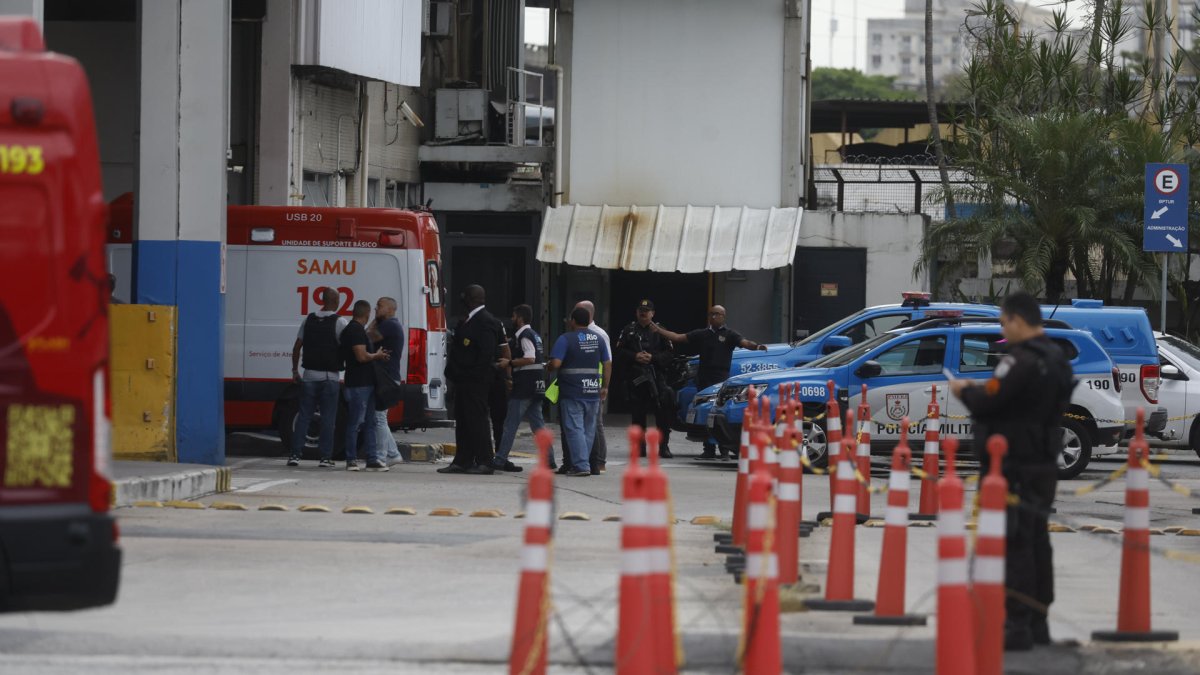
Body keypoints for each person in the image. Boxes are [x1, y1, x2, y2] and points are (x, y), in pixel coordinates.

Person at [949, 291, 1073, 651]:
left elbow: (991, 401)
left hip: (1014, 465)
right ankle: (1038, 622)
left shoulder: (1019, 360)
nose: (1003, 331)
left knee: (1016, 542)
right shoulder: (1058, 359)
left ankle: (1016, 624)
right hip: (1043, 463)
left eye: (1004, 323)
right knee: (1037, 541)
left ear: (1018, 320)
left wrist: (963, 392)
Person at [651, 305, 768, 458]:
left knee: (720, 413)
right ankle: (708, 449)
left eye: (716, 314)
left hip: (721, 380)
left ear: (723, 316)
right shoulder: (702, 334)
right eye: (711, 314)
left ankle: (724, 450)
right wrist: (659, 331)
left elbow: (745, 343)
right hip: (704, 379)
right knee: (705, 412)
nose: (713, 317)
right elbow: (678, 337)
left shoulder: (730, 335)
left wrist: (757, 346)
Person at [439, 284, 503, 475]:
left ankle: (485, 461)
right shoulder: (468, 320)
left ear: (470, 299)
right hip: (463, 380)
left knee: (477, 420)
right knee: (463, 421)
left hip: (476, 381)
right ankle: (462, 460)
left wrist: (473, 375)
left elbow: (486, 354)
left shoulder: (486, 321)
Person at [288, 288, 349, 467]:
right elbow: (348, 347)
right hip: (330, 377)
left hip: (309, 376)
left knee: (304, 417)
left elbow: (297, 347)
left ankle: (295, 455)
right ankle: (325, 458)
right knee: (328, 419)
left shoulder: (308, 320)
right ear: (336, 301)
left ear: (322, 300)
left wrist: (295, 371)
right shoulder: (340, 322)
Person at [548, 307, 611, 477]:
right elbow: (607, 363)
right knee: (588, 430)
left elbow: (556, 363)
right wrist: (605, 386)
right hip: (592, 390)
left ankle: (581, 465)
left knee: (574, 429)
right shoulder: (598, 339)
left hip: (572, 391)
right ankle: (584, 463)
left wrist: (548, 366)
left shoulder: (565, 339)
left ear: (573, 321)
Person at [493, 304, 553, 472]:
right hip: (536, 386)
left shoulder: (524, 336)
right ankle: (550, 460)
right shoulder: (534, 335)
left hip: (524, 387)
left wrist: (510, 363)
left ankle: (499, 460)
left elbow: (530, 358)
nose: (512, 319)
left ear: (520, 318)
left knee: (510, 425)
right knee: (538, 426)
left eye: (513, 316)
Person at [615, 299, 675, 458]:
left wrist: (653, 358)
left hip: (657, 378)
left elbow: (670, 354)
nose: (643, 313)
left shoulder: (660, 330)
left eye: (647, 311)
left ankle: (663, 447)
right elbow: (619, 352)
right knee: (637, 415)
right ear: (636, 312)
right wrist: (635, 356)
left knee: (662, 415)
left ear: (652, 313)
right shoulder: (629, 330)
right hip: (637, 379)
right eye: (641, 310)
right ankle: (639, 448)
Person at [368, 297, 405, 466]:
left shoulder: (389, 325)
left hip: (387, 379)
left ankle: (382, 456)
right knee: (379, 417)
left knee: (379, 418)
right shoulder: (390, 325)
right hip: (388, 378)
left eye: (380, 306)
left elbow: (367, 337)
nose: (376, 308)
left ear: (391, 309)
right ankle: (393, 453)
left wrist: (374, 320)